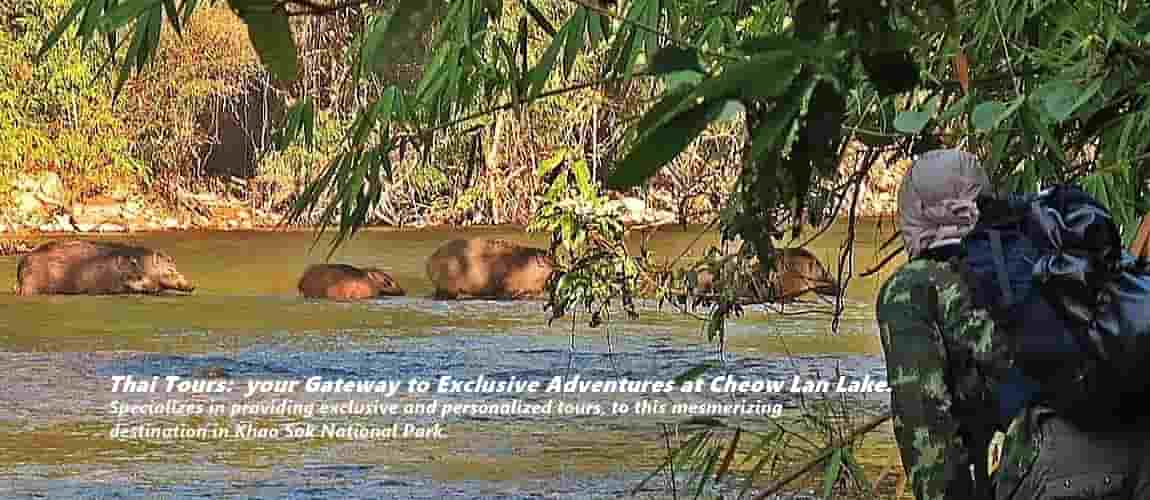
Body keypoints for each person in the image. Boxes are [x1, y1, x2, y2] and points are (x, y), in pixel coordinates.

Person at [875, 148, 1150, 500]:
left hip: (1060, 463)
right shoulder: (1045, 249)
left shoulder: (914, 286)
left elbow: (925, 425)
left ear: (916, 210)